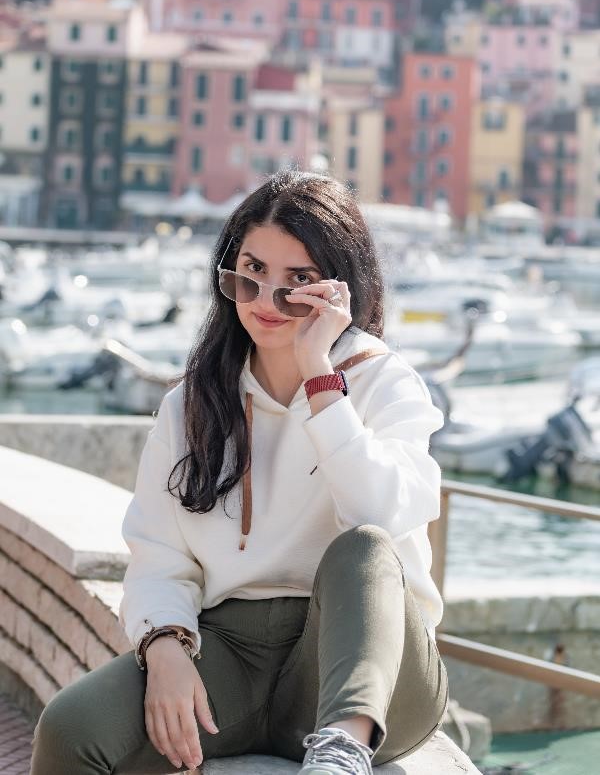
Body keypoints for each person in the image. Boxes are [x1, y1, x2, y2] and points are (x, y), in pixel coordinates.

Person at [31, 171, 448, 775]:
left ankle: (340, 754)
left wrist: (318, 378)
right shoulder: (194, 404)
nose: (265, 302)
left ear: (339, 287)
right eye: (251, 274)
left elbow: (379, 515)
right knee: (73, 731)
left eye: (297, 281)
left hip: (366, 665)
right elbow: (157, 549)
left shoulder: (384, 383)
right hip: (232, 653)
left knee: (362, 549)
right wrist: (165, 645)